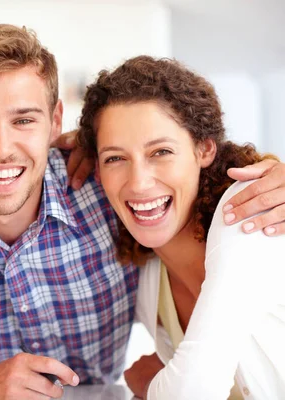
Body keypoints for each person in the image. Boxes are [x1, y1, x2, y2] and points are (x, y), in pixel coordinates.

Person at [0, 25, 285, 399]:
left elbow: (183, 171)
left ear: (55, 121)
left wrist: (271, 172)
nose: (1, 148)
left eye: (24, 120)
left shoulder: (104, 192)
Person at [77, 55, 285, 399]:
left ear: (203, 149)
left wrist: (148, 384)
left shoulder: (248, 213)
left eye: (160, 151)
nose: (139, 183)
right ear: (97, 170)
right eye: (115, 158)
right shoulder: (148, 280)